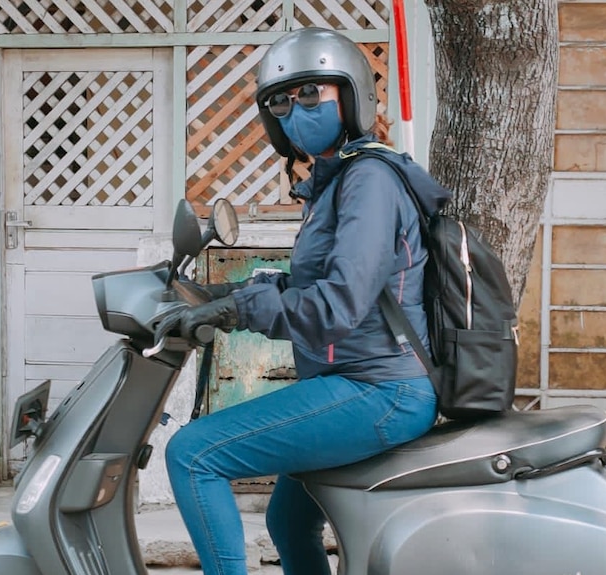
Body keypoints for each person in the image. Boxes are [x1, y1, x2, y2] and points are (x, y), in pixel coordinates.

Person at [161, 27, 452, 575]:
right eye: (281, 101)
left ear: (351, 95)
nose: (297, 110)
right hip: (358, 383)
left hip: (379, 389)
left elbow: (337, 306)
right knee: (287, 523)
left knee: (193, 453)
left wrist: (237, 312)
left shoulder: (368, 179)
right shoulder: (336, 183)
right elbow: (310, 285)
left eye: (312, 93)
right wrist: (226, 293)